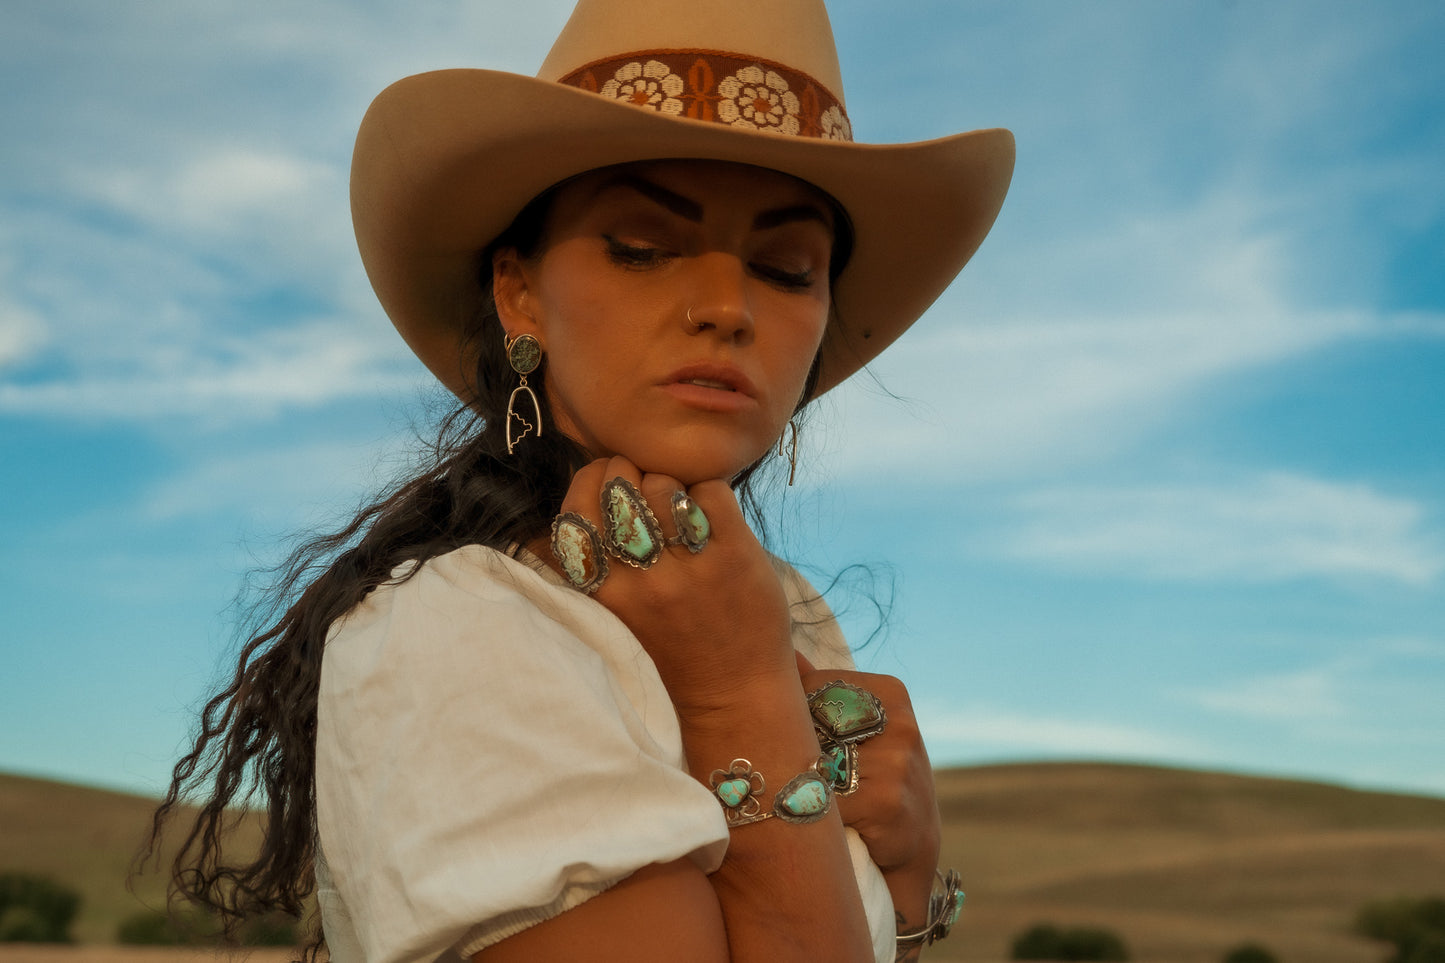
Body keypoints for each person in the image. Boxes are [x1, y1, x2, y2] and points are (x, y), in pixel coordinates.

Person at [144, 0, 1013, 960]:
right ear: (518, 293)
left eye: (784, 266)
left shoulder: (782, 611)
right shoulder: (457, 623)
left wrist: (907, 891)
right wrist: (741, 708)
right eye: (642, 247)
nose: (726, 307)